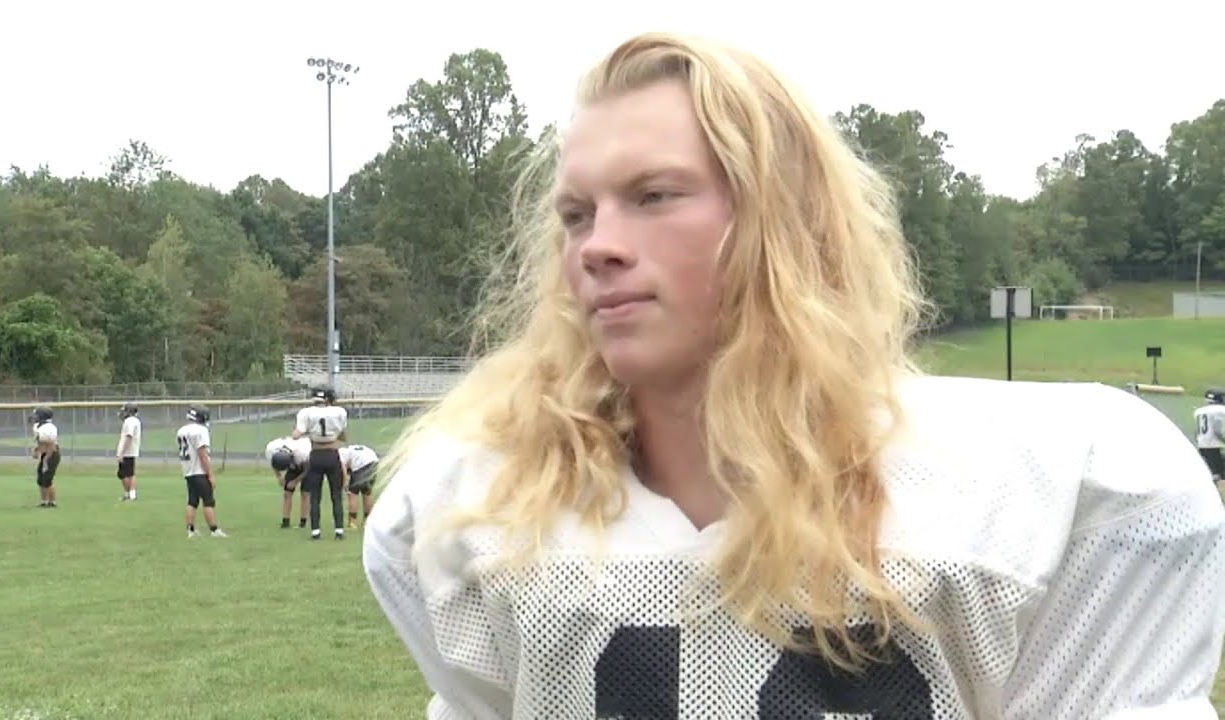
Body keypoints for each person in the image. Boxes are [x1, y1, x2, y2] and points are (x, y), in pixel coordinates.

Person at [362, 32, 1225, 719]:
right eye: (576, 214)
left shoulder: (1046, 492)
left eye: (655, 195)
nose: (599, 246)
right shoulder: (484, 511)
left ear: (787, 219)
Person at [291, 385, 348, 541]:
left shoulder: (306, 413)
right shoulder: (339, 412)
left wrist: (299, 430)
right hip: (332, 454)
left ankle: (315, 532)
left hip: (316, 454)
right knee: (336, 495)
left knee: (315, 496)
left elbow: (296, 435)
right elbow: (343, 436)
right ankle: (339, 531)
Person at [177, 404, 227, 539]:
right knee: (208, 501)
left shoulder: (182, 430)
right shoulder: (200, 430)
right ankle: (214, 530)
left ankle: (190, 530)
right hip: (199, 470)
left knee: (192, 501)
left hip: (188, 470)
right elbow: (202, 453)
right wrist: (210, 474)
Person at [266, 435, 312, 529]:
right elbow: (273, 464)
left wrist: (295, 481)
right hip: (293, 463)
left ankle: (303, 522)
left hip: (307, 466)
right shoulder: (271, 449)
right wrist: (279, 476)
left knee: (305, 494)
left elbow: (308, 469)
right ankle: (285, 522)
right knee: (287, 493)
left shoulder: (303, 452)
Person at [339, 442, 379, 530]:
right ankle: (367, 522)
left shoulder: (339, 455)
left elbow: (343, 470)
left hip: (362, 465)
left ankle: (352, 522)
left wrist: (345, 484)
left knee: (353, 494)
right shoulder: (350, 450)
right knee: (367, 493)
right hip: (373, 461)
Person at [30, 406, 60, 508]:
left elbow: (51, 445)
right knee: (41, 478)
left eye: (37, 416)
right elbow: (42, 443)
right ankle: (44, 501)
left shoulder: (49, 428)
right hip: (45, 453)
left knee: (47, 479)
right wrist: (37, 450)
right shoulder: (39, 426)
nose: (35, 418)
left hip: (51, 454)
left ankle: (52, 502)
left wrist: (46, 459)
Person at [1195, 388, 1225, 482]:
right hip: (1215, 445)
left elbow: (1197, 432)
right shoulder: (1220, 410)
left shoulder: (1198, 412)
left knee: (1213, 472)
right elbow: (1217, 429)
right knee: (1221, 474)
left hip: (1202, 446)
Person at [115, 401, 142, 501]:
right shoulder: (134, 421)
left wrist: (122, 453)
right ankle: (129, 494)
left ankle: (131, 494)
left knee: (127, 474)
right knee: (125, 473)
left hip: (128, 452)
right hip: (130, 451)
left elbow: (129, 436)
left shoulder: (130, 421)